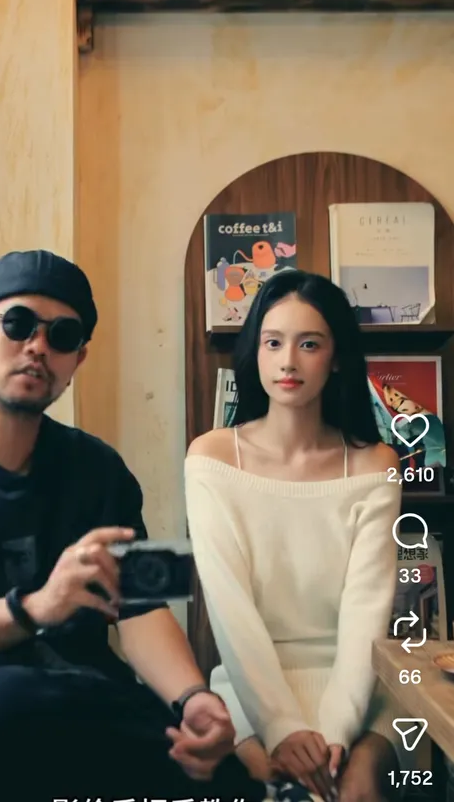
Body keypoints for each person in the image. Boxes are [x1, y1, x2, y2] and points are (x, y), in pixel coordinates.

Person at [0, 250, 272, 802]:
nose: (37, 346)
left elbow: (141, 608)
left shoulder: (99, 468)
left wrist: (193, 698)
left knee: (222, 773)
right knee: (11, 697)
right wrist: (34, 609)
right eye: (18, 324)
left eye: (62, 335)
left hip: (87, 705)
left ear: (78, 359)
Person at [185, 270, 404, 802]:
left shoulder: (375, 463)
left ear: (336, 358)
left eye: (309, 344)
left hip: (362, 690)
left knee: (356, 790)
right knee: (275, 787)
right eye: (273, 343)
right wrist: (280, 726)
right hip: (250, 689)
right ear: (255, 352)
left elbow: (366, 613)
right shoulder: (212, 457)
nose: (288, 361)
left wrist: (336, 732)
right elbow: (231, 613)